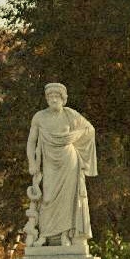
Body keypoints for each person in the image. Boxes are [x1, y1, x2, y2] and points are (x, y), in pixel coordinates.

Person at [25, 82, 97, 247]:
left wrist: (73, 136)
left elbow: (89, 130)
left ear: (63, 99)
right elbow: (31, 142)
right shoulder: (39, 117)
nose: (53, 99)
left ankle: (65, 235)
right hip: (49, 163)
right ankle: (45, 235)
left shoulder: (70, 115)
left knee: (67, 200)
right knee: (47, 197)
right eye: (50, 97)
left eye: (57, 96)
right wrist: (32, 163)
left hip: (69, 161)